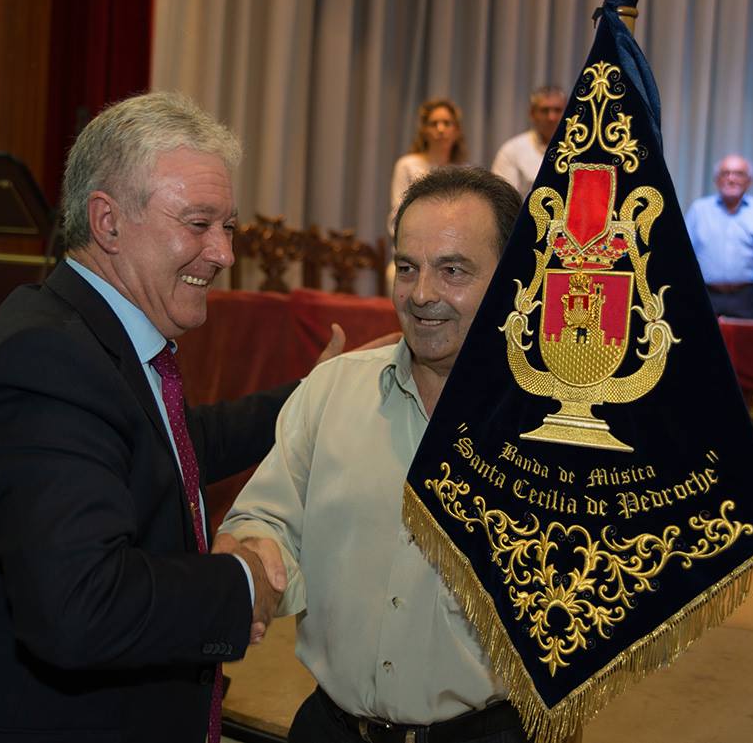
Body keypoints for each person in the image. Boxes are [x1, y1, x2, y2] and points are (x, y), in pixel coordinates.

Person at [0, 93, 322, 743]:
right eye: (199, 223)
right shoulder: (47, 358)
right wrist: (243, 579)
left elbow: (171, 446)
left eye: (228, 226)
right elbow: (83, 605)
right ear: (108, 222)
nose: (223, 252)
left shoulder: (86, 334)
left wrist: (312, 394)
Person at [220, 167, 531, 743]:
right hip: (329, 728)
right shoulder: (331, 390)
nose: (422, 295)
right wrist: (257, 556)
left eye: (453, 271)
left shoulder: (550, 430)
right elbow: (265, 520)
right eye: (407, 268)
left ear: (513, 278)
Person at [684, 154, 753, 324]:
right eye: (725, 173)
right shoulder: (699, 210)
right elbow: (683, 258)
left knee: (744, 348)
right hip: (705, 295)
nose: (731, 179)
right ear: (716, 179)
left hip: (745, 297)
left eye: (738, 173)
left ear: (749, 181)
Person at [388, 98, 468, 237]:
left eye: (447, 123)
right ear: (424, 130)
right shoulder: (407, 165)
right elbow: (397, 217)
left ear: (456, 131)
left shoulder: (465, 171)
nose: (440, 129)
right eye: (434, 124)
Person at [490, 85, 567, 197]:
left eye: (558, 110)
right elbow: (503, 202)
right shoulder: (512, 151)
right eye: (545, 110)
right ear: (532, 114)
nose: (552, 117)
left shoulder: (580, 149)